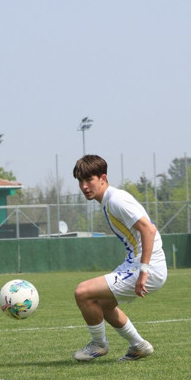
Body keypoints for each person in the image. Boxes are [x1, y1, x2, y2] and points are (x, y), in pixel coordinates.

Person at [71, 154, 168, 362]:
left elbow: (149, 230)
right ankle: (139, 346)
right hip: (137, 263)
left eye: (89, 180)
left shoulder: (116, 200)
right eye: (80, 181)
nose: (84, 186)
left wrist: (144, 271)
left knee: (82, 292)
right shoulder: (108, 200)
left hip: (148, 267)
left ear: (103, 178)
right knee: (103, 304)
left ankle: (99, 344)